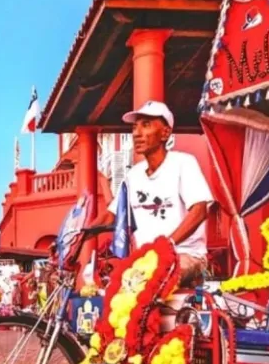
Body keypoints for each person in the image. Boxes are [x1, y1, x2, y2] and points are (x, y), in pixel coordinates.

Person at [91, 100, 214, 287]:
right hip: (147, 261)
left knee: (151, 280)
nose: (136, 133)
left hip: (185, 254)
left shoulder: (183, 163)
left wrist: (166, 245)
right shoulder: (133, 175)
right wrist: (78, 235)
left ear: (165, 133)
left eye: (146, 125)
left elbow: (199, 211)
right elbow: (111, 215)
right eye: (134, 127)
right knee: (112, 288)